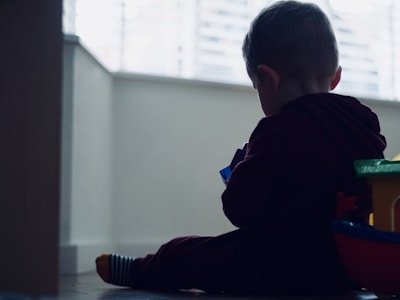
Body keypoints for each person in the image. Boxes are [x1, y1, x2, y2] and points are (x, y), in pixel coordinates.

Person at [96, 1, 386, 295]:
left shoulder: (277, 129)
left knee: (185, 253)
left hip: (277, 267)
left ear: (270, 79)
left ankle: (138, 270)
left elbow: (240, 210)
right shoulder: (364, 125)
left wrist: (240, 170)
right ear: (335, 77)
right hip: (347, 269)